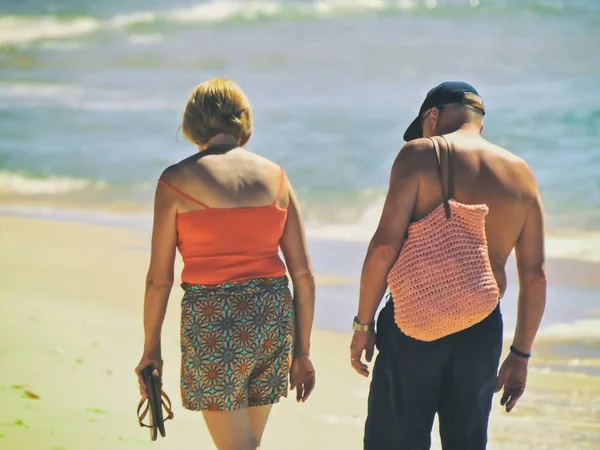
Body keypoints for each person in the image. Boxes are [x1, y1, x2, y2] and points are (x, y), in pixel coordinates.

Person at [350, 82, 547, 450]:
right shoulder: (521, 174)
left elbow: (383, 247)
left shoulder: (421, 153)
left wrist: (364, 323)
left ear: (433, 116)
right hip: (482, 328)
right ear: (480, 123)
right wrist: (520, 355)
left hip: (414, 324)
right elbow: (535, 276)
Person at [135, 78, 316, 450]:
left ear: (193, 123)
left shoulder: (176, 181)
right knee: (246, 442)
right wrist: (302, 353)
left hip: (215, 322)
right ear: (242, 120)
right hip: (271, 318)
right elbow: (304, 275)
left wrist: (151, 349)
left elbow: (158, 280)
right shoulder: (277, 177)